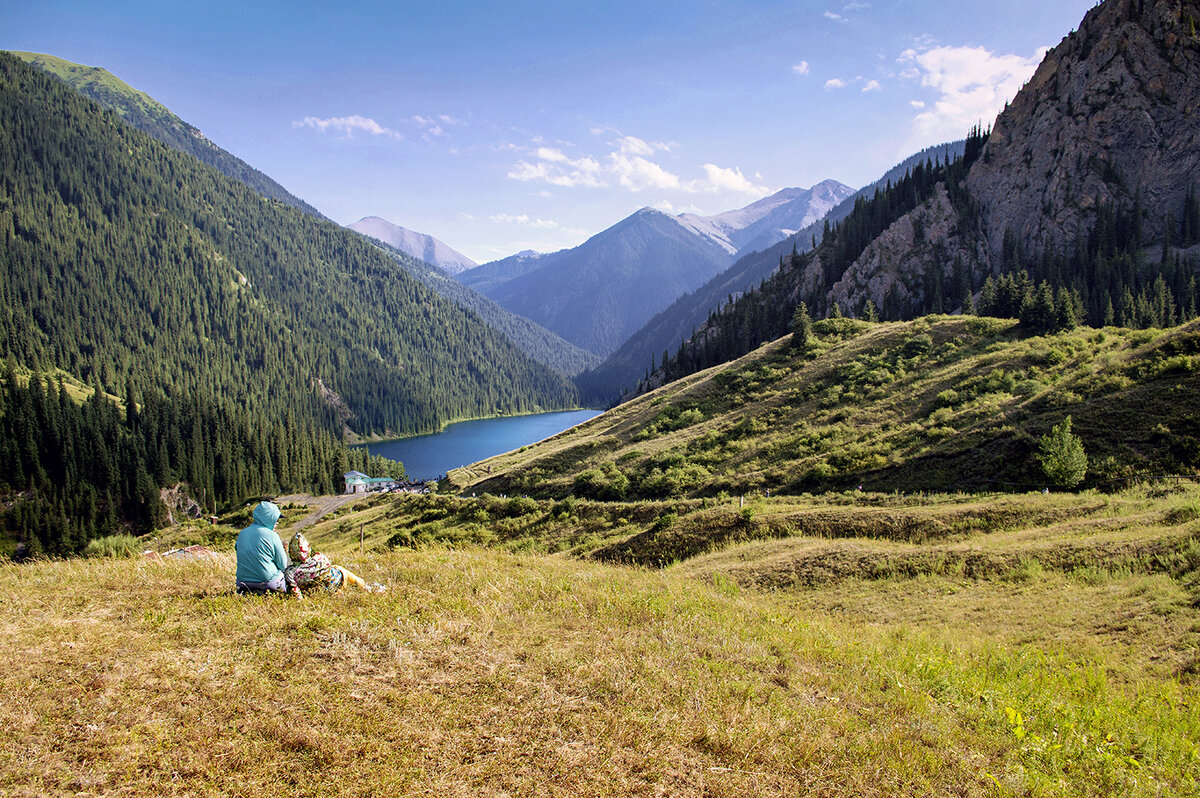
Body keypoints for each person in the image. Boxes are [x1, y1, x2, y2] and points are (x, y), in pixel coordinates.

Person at [283, 531, 384, 596]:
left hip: (314, 594)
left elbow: (295, 592)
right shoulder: (320, 558)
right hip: (336, 586)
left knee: (335, 568)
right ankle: (364, 586)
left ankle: (363, 586)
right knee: (339, 568)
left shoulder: (289, 572)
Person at [234, 501, 290, 594]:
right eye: (276, 519)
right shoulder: (272, 535)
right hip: (268, 582)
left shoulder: (242, 533)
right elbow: (283, 565)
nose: (277, 522)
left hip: (242, 582)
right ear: (268, 518)